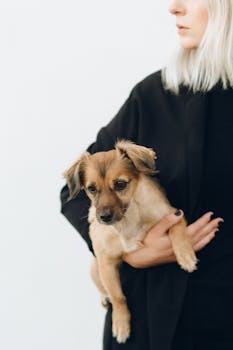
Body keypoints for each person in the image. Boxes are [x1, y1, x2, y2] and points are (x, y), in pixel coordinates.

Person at [59, 0, 233, 349]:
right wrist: (131, 251)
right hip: (146, 321)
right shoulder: (152, 95)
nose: (174, 7)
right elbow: (74, 192)